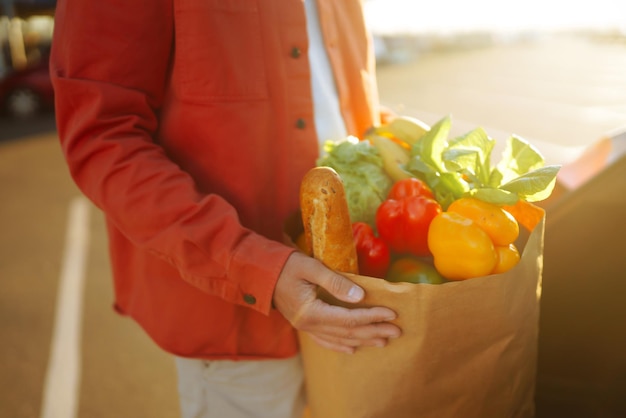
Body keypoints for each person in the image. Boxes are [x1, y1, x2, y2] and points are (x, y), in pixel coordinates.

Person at [50, 0, 401, 417]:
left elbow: (343, 105)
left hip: (360, 300)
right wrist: (252, 265)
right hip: (237, 326)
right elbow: (102, 136)